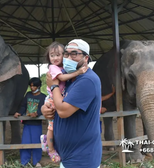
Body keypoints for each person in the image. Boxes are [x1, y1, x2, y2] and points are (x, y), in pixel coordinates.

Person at [41, 39, 102, 168]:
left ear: (86, 58)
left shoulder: (87, 80)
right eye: (66, 54)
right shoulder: (69, 80)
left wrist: (53, 86)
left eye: (74, 53)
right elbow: (57, 102)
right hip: (68, 156)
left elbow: (63, 111)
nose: (68, 57)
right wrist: (44, 108)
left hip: (82, 158)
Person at [14, 77, 46, 168]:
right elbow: (23, 106)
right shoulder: (28, 95)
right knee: (25, 142)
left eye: (34, 86)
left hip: (37, 124)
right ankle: (24, 162)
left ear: (39, 86)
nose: (32, 88)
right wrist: (19, 112)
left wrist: (37, 114)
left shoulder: (43, 97)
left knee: (36, 142)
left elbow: (43, 109)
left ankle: (36, 162)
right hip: (27, 123)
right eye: (31, 86)